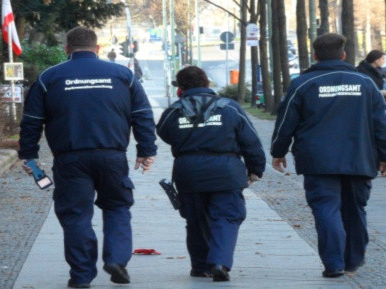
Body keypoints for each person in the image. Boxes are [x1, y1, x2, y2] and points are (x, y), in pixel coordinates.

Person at [18, 26, 157, 288]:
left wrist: (29, 156)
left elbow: (32, 121)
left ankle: (81, 276)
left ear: (66, 49)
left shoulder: (50, 78)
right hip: (112, 157)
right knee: (117, 207)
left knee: (75, 216)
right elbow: (142, 114)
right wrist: (146, 150)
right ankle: (116, 259)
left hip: (70, 160)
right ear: (98, 48)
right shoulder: (123, 75)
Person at [271, 33, 386, 278]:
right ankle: (353, 259)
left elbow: (286, 121)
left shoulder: (303, 84)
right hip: (359, 157)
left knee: (325, 208)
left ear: (315, 56)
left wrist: (278, 151)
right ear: (343, 55)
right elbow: (382, 123)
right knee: (355, 208)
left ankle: (334, 263)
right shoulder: (365, 83)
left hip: (318, 161)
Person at [156, 66, 265, 282]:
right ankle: (219, 262)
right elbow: (250, 140)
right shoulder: (229, 108)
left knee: (195, 220)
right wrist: (255, 168)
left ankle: (199, 266)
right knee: (226, 217)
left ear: (180, 88)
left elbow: (163, 132)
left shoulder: (174, 111)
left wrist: (188, 139)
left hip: (189, 173)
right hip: (225, 171)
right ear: (207, 83)